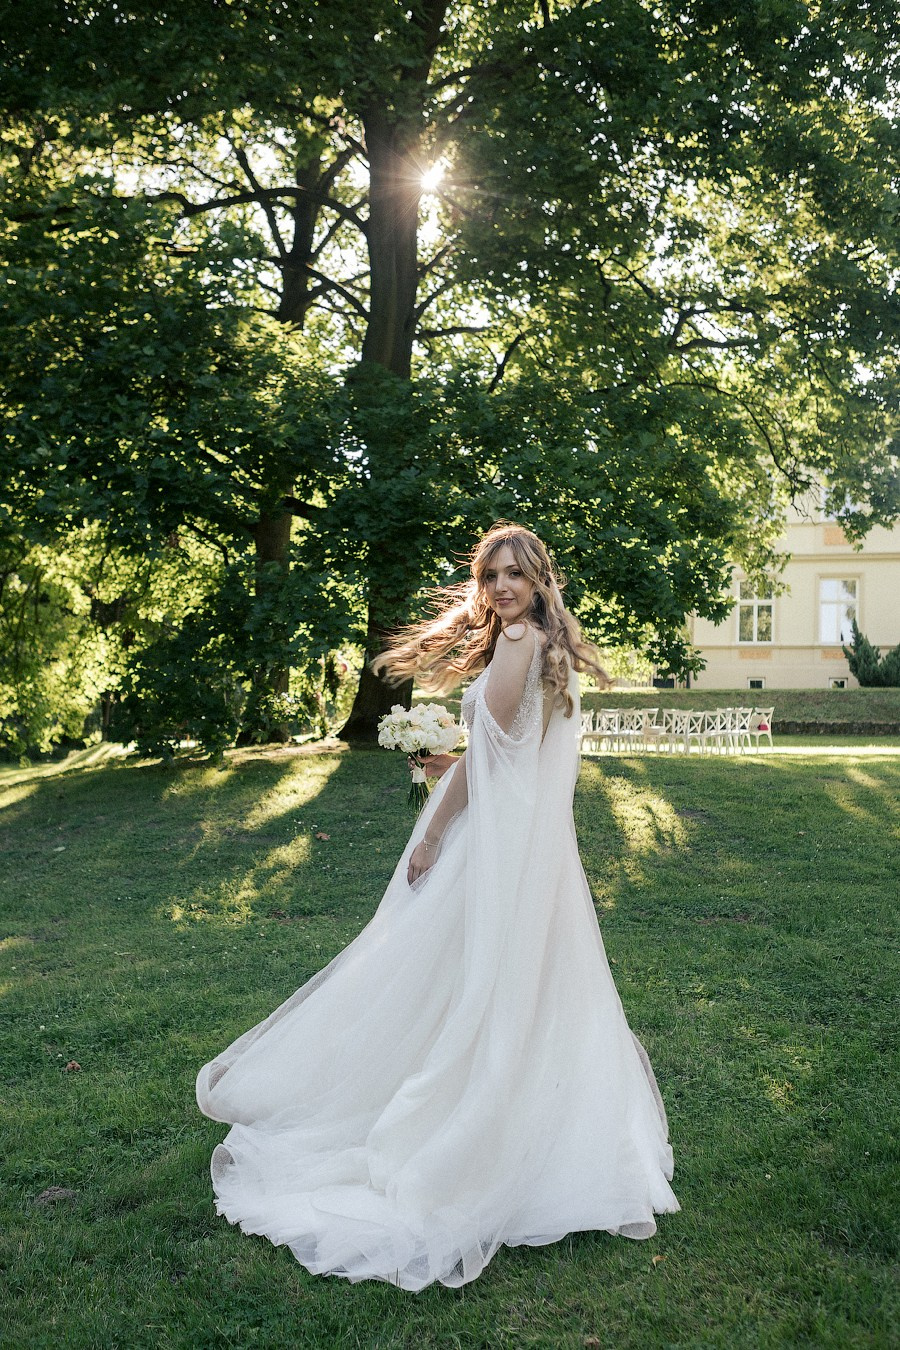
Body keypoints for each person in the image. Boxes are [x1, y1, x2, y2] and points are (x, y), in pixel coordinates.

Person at [196, 521, 679, 1290]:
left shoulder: (520, 644)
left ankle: (469, 1131)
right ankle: (554, 1134)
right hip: (536, 847)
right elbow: (510, 751)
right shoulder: (548, 650)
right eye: (491, 576)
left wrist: (435, 830)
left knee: (462, 974)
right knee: (525, 980)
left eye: (516, 574)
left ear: (540, 579)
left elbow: (493, 759)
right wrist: (457, 758)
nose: (502, 588)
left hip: (495, 843)